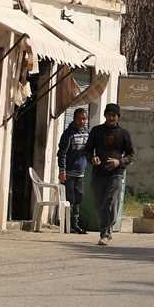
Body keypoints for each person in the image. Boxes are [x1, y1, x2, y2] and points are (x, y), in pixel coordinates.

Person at [86, 103, 135, 246]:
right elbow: (88, 150)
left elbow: (131, 155)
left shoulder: (124, 133)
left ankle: (105, 233)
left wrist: (119, 162)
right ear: (105, 115)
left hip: (116, 174)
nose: (111, 118)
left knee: (110, 202)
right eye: (109, 115)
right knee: (99, 204)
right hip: (98, 173)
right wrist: (92, 158)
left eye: (114, 115)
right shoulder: (96, 131)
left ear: (118, 117)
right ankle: (107, 229)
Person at [56, 106, 89, 233]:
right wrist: (62, 170)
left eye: (84, 119)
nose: (82, 121)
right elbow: (62, 153)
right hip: (69, 172)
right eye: (80, 119)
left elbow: (88, 150)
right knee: (69, 199)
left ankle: (75, 224)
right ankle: (66, 224)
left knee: (78, 198)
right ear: (75, 119)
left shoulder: (86, 132)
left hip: (80, 173)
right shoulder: (68, 134)